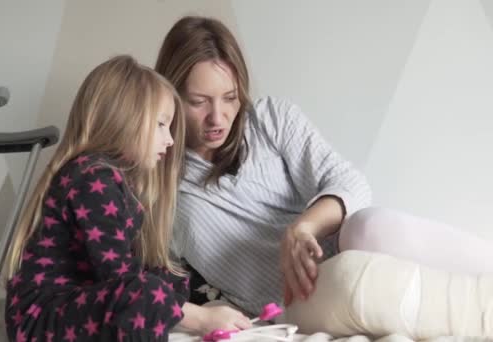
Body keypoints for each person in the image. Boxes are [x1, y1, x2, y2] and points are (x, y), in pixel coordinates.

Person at [154, 16, 493, 317]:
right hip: (297, 301)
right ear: (169, 95)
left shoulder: (270, 119)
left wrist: (304, 228)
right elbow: (148, 276)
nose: (218, 117)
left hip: (344, 254)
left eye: (229, 97)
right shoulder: (159, 181)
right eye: (198, 102)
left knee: (368, 225)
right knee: (352, 282)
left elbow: (352, 184)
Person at [4, 55, 252, 342]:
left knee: (168, 278)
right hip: (40, 319)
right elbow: (119, 276)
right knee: (144, 293)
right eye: (161, 125)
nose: (170, 141)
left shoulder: (112, 180)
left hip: (73, 306)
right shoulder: (90, 177)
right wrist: (201, 318)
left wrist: (172, 286)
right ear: (125, 120)